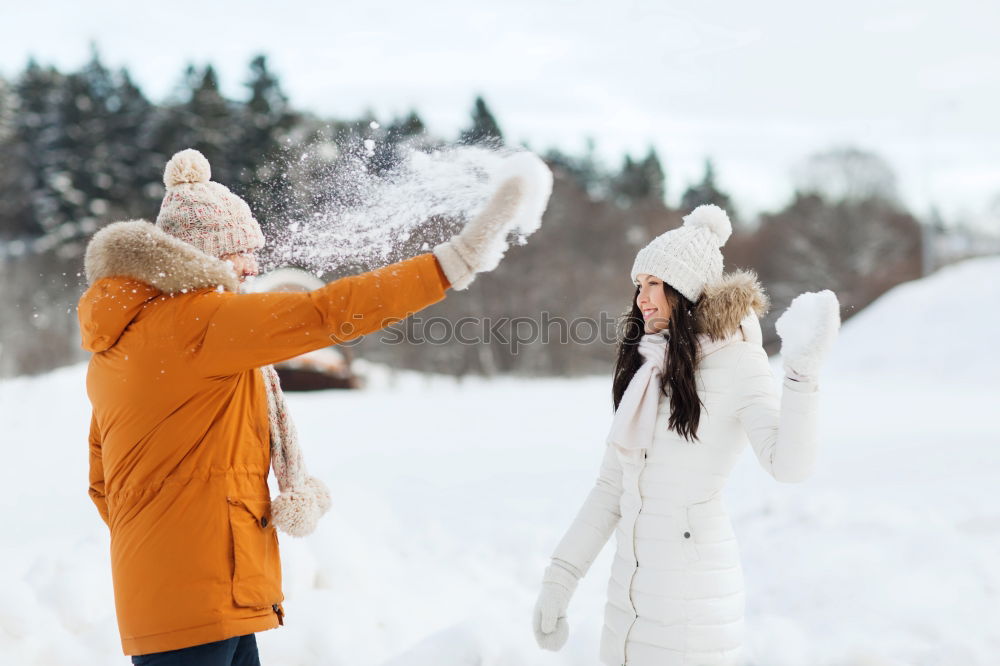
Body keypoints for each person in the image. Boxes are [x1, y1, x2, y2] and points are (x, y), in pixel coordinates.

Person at [80, 148, 550, 664]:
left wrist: (165, 540)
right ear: (204, 257)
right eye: (241, 251)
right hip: (200, 595)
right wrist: (454, 261)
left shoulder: (120, 343)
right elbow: (327, 312)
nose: (252, 265)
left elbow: (104, 484)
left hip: (174, 592)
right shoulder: (202, 322)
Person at [532, 204, 840, 666]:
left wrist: (801, 375)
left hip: (692, 612)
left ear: (686, 290)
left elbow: (790, 466)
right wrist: (561, 578)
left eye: (655, 284)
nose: (642, 298)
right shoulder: (650, 369)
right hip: (627, 610)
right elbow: (610, 489)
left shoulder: (738, 362)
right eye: (639, 285)